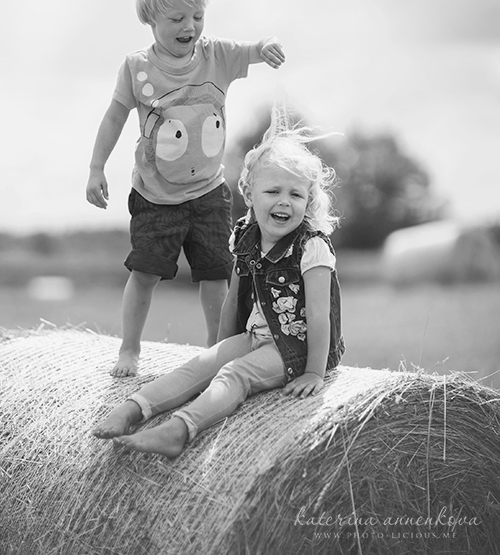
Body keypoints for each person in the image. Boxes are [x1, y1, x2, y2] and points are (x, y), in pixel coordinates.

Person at [92, 110, 345, 456]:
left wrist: (314, 372)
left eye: (296, 195)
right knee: (201, 365)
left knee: (234, 375)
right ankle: (133, 408)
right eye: (273, 191)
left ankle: (179, 430)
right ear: (250, 195)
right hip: (255, 337)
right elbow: (233, 299)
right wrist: (220, 351)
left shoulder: (311, 248)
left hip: (294, 349)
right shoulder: (245, 238)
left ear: (308, 201)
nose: (284, 201)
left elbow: (318, 315)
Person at [86, 0, 285, 376]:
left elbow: (253, 49)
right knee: (145, 274)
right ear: (150, 18)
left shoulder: (217, 56)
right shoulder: (137, 68)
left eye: (197, 16)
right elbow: (114, 117)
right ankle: (130, 348)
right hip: (155, 198)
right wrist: (96, 168)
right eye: (177, 18)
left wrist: (266, 46)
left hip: (209, 194)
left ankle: (215, 351)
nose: (189, 27)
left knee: (216, 276)